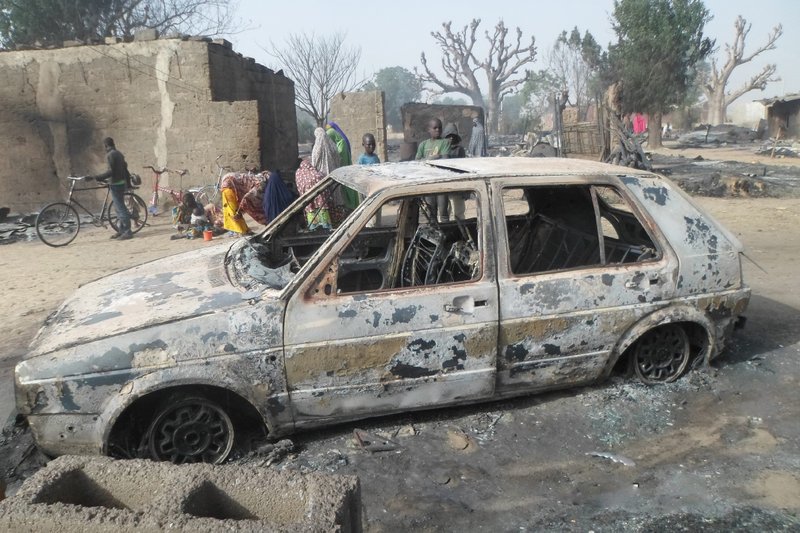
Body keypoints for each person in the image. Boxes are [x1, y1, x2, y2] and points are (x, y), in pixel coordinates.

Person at [92, 137, 133, 240]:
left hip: (116, 184)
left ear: (106, 146)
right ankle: (121, 230)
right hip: (121, 183)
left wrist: (97, 177)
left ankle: (128, 232)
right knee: (118, 208)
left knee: (121, 208)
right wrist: (128, 184)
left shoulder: (110, 155)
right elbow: (125, 170)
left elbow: (111, 172)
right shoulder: (119, 154)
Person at [326, 122, 360, 209]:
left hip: (344, 174)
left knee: (346, 188)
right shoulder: (341, 142)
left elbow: (339, 164)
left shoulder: (341, 146)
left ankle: (350, 206)